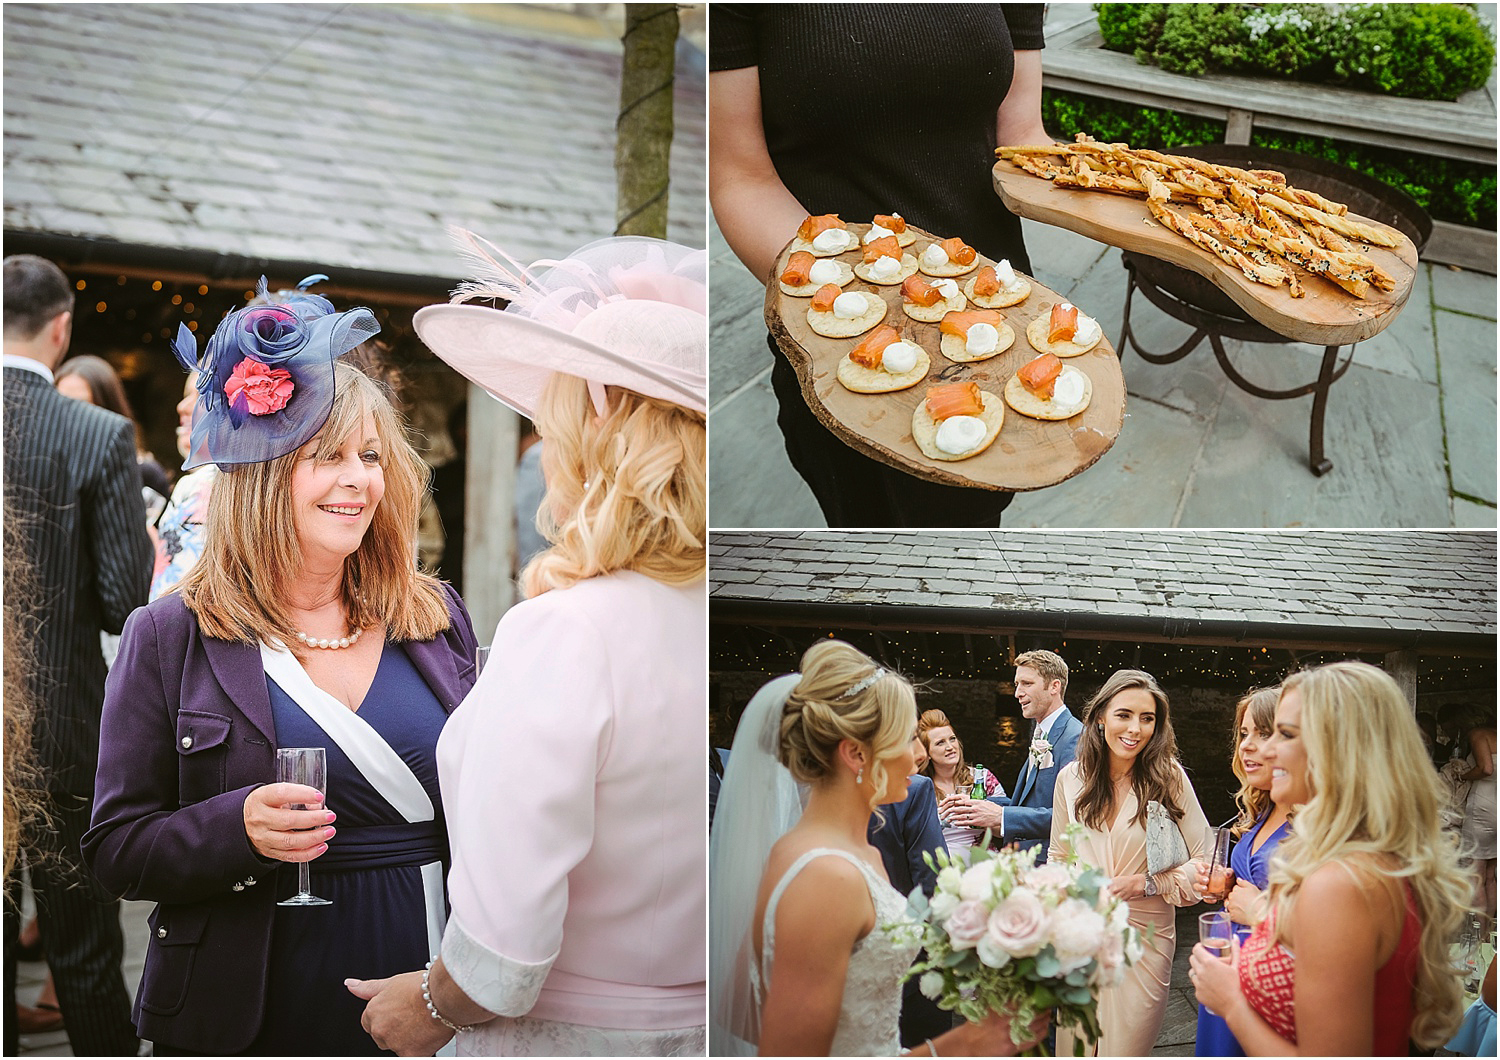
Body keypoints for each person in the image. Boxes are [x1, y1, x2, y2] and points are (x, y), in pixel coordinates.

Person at [83, 287, 478, 1055]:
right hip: (254, 996)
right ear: (263, 475)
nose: (359, 480)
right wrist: (235, 828)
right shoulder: (168, 635)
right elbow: (114, 848)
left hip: (431, 981)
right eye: (327, 456)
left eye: (371, 456)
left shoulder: (434, 615)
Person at [348, 234, 707, 1056]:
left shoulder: (568, 631)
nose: (545, 450)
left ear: (600, 430)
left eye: (555, 421)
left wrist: (430, 1006)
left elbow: (503, 948)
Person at [709, 5, 1053, 527]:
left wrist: (1131, 203)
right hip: (847, 328)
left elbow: (1022, 135)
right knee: (871, 528)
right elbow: (741, 178)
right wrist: (880, 307)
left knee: (971, 519)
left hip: (999, 315)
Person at [710, 640, 1044, 1056]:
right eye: (906, 739)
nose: (918, 756)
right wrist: (970, 1041)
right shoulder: (827, 877)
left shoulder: (844, 851)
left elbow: (738, 1010)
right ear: (855, 754)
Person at [2, 254, 153, 1057]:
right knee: (88, 955)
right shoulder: (97, 435)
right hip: (64, 727)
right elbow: (125, 602)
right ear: (62, 328)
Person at [1190, 662, 1472, 1055]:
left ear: (1342, 750)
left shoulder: (1340, 882)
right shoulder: (1371, 856)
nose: (1266, 750)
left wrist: (1231, 1002)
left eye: (1284, 734)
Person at [1050, 669, 1212, 1056]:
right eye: (1124, 714)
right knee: (1075, 1046)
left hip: (1145, 938)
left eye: (1147, 718)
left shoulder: (1168, 777)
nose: (1135, 729)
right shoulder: (1070, 778)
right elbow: (1059, 855)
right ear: (1101, 716)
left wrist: (1146, 883)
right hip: (1081, 935)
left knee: (1123, 1048)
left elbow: (1206, 859)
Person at [1196, 687, 1292, 1057]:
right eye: (1243, 734)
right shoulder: (1262, 809)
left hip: (1271, 979)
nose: (1248, 746)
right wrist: (1228, 886)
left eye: (1264, 733)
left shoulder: (1314, 823)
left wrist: (1258, 909)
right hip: (1227, 963)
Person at [945, 649, 1082, 863]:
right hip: (1027, 863)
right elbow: (1027, 805)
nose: (1017, 693)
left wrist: (1001, 817)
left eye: (1026, 683)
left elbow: (1073, 817)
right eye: (1017, 685)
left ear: (1054, 686)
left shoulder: (1075, 736)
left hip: (1052, 868)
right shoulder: (1042, 734)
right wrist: (976, 805)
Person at [55, 353, 171, 510]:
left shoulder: (144, 473)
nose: (71, 417)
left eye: (82, 407)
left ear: (107, 408)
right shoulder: (49, 469)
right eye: (62, 406)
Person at [918, 708, 1004, 861]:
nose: (950, 746)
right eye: (940, 743)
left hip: (983, 865)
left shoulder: (982, 778)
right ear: (927, 753)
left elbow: (1003, 828)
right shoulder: (921, 788)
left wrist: (982, 817)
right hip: (942, 868)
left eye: (952, 739)